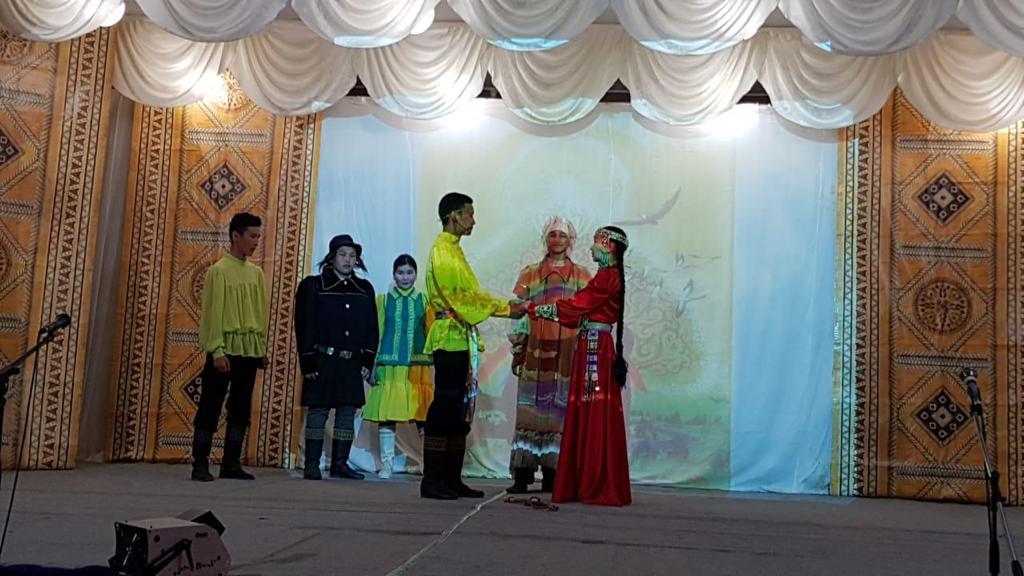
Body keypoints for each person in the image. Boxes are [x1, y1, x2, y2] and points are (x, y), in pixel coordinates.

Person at [421, 192, 527, 500]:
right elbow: (461, 299)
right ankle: (432, 480)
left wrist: (505, 307)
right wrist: (505, 308)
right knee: (445, 404)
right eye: (469, 213)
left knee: (460, 407)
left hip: (462, 336)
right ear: (454, 215)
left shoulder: (454, 250)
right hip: (449, 337)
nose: (473, 220)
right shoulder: (442, 250)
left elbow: (472, 296)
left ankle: (451, 478)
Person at [528, 226, 632, 506]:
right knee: (589, 408)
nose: (592, 247)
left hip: (595, 348)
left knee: (593, 409)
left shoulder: (608, 278)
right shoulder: (606, 276)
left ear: (609, 246)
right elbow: (577, 311)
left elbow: (577, 306)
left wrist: (537, 309)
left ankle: (592, 482)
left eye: (597, 242)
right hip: (591, 344)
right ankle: (586, 480)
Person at [507, 216, 591, 494]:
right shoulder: (529, 273)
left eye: (562, 235)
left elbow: (588, 315)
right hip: (535, 351)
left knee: (559, 411)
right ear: (546, 238)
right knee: (529, 410)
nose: (557, 240)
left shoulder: (582, 276)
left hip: (567, 354)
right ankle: (522, 474)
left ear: (571, 240)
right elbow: (518, 312)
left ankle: (554, 476)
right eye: (552, 234)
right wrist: (518, 348)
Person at [294, 234, 379, 480]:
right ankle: (311, 463)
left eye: (352, 255)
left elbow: (371, 328)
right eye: (343, 254)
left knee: (347, 411)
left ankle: (340, 464)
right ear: (332, 258)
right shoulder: (314, 285)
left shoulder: (364, 289)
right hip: (322, 359)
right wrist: (307, 360)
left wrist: (367, 360)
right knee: (318, 411)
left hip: (350, 361)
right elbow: (304, 324)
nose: (348, 260)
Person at [191, 212, 268, 482]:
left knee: (241, 406)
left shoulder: (256, 274)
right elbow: (212, 313)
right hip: (224, 349)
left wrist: (260, 348)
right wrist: (217, 350)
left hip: (248, 349)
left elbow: (260, 313)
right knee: (211, 404)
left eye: (258, 236)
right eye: (252, 236)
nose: (256, 242)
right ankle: (200, 462)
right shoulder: (219, 271)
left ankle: (231, 462)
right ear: (236, 236)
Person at [363, 254, 434, 479]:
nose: (405, 277)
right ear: (394, 275)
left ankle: (429, 465)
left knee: (423, 416)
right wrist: (372, 363)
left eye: (409, 272)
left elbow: (431, 333)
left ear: (416, 274)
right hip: (389, 364)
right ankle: (387, 464)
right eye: (400, 273)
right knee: (388, 415)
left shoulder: (424, 300)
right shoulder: (384, 300)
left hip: (416, 365)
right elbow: (377, 332)